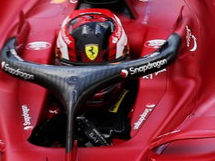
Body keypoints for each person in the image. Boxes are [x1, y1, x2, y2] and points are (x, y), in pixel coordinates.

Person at [30, 8, 136, 147]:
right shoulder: (47, 96)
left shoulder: (138, 93)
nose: (91, 80)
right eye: (79, 70)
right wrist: (45, 133)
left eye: (102, 72)